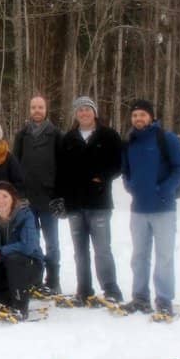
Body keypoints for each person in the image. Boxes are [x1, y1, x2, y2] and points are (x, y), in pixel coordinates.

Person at [120, 99, 180, 316]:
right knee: (139, 256)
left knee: (164, 256)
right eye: (134, 115)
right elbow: (126, 171)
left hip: (163, 209)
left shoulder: (165, 138)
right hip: (138, 209)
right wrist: (130, 186)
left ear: (150, 116)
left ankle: (164, 299)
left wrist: (164, 189)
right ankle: (140, 298)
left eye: (142, 115)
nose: (138, 119)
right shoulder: (130, 141)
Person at [56, 96, 125, 304]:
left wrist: (102, 177)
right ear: (76, 114)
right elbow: (61, 172)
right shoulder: (68, 139)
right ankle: (84, 289)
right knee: (80, 251)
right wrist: (60, 199)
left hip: (99, 203)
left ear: (94, 112)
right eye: (80, 110)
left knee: (102, 249)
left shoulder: (109, 135)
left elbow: (118, 165)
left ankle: (111, 289)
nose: (84, 113)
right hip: (75, 205)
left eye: (87, 109)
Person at [12, 96, 63, 293]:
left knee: (52, 242)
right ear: (29, 110)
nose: (37, 110)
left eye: (40, 107)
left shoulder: (56, 134)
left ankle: (53, 279)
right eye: (33, 107)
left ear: (46, 109)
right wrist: (19, 194)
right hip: (27, 199)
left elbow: (62, 167)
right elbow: (15, 166)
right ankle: (35, 277)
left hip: (49, 198)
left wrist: (59, 195)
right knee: (31, 241)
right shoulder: (22, 135)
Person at [0, 182, 44, 321]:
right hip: (5, 268)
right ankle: (13, 296)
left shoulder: (25, 215)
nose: (1, 200)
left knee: (14, 258)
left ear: (13, 198)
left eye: (5, 196)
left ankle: (20, 307)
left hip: (29, 266)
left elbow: (29, 246)